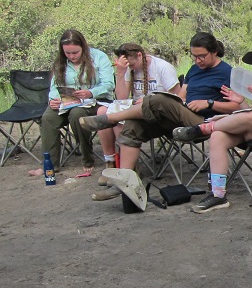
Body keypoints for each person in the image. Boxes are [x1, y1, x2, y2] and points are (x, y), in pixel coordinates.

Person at [78, 32, 238, 178]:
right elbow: (181, 96)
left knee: (157, 99)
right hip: (182, 115)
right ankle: (125, 179)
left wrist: (209, 103)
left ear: (214, 52)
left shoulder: (227, 72)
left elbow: (236, 108)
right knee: (134, 125)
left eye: (202, 56)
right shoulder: (194, 70)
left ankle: (110, 119)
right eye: (194, 56)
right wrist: (177, 103)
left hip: (204, 122)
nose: (197, 60)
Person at [171, 39, 252, 213]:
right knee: (218, 136)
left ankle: (201, 128)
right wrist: (240, 102)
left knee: (250, 116)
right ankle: (218, 195)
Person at [91, 43, 180, 200]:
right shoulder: (127, 70)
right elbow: (122, 98)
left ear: (140, 55)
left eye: (131, 64)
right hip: (136, 113)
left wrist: (148, 101)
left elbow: (178, 100)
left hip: (161, 116)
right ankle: (128, 169)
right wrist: (120, 73)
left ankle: (126, 172)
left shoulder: (163, 67)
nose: (130, 67)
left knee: (122, 119)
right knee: (117, 115)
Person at [27, 29, 115, 177]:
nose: (72, 56)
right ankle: (50, 165)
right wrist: (53, 99)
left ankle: (87, 158)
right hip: (67, 102)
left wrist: (90, 92)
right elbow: (55, 86)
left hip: (96, 101)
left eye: (75, 52)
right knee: (48, 117)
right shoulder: (61, 62)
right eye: (68, 53)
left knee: (77, 114)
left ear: (83, 48)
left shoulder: (99, 57)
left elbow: (109, 84)